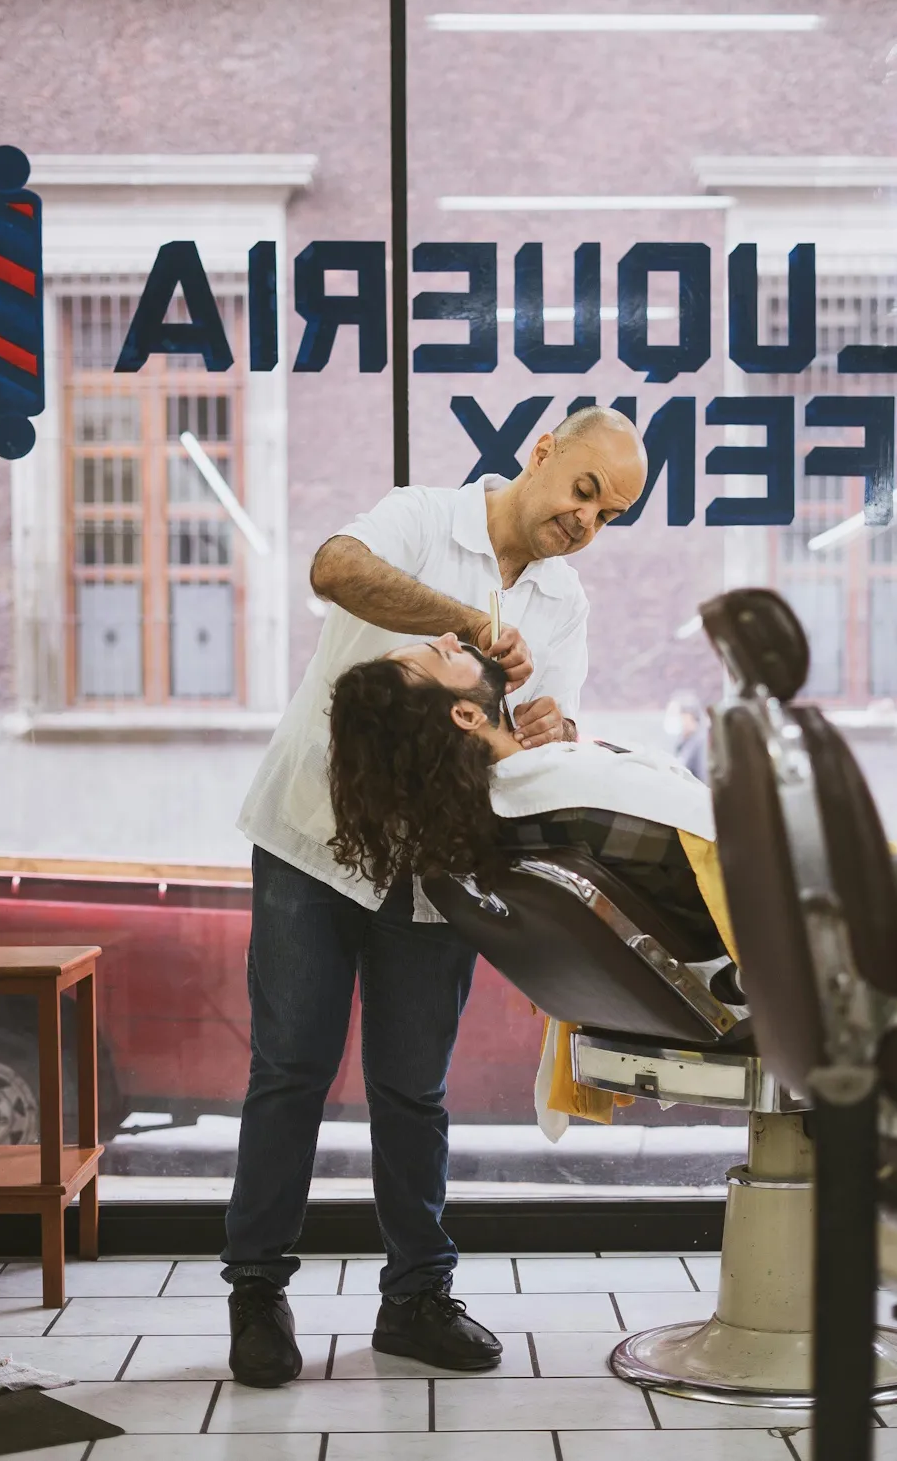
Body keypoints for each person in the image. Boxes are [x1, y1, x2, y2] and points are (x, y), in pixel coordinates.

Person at [222, 407, 647, 1388]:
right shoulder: (422, 519)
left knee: (412, 1087)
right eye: (585, 490)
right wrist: (469, 623)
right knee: (290, 1069)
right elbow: (334, 569)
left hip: (436, 867)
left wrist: (550, 731)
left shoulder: (565, 602)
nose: (586, 519)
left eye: (609, 514)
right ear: (543, 452)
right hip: (311, 838)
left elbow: (529, 742)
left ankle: (416, 1297)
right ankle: (257, 1290)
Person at [328, 635, 723, 962]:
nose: (451, 637)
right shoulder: (568, 794)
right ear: (467, 716)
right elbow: (723, 837)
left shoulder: (505, 810)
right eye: (442, 654)